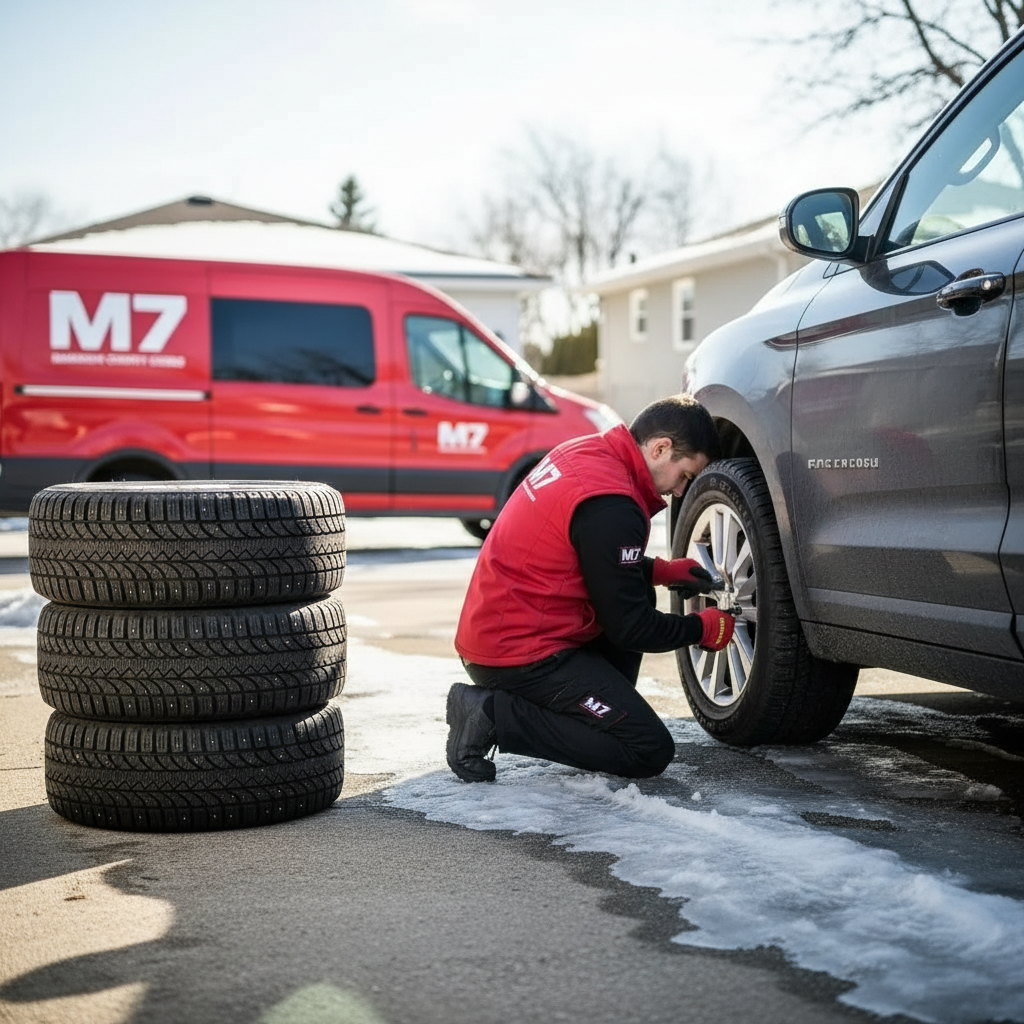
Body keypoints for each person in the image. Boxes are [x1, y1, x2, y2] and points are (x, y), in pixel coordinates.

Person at [446, 393, 736, 783]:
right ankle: (491, 715)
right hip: (518, 657)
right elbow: (630, 628)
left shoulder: (588, 453)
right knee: (646, 749)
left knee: (636, 589)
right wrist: (701, 629)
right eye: (684, 475)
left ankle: (594, 710)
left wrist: (662, 571)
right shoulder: (612, 506)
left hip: (505, 631)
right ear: (660, 448)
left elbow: (591, 558)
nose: (681, 491)